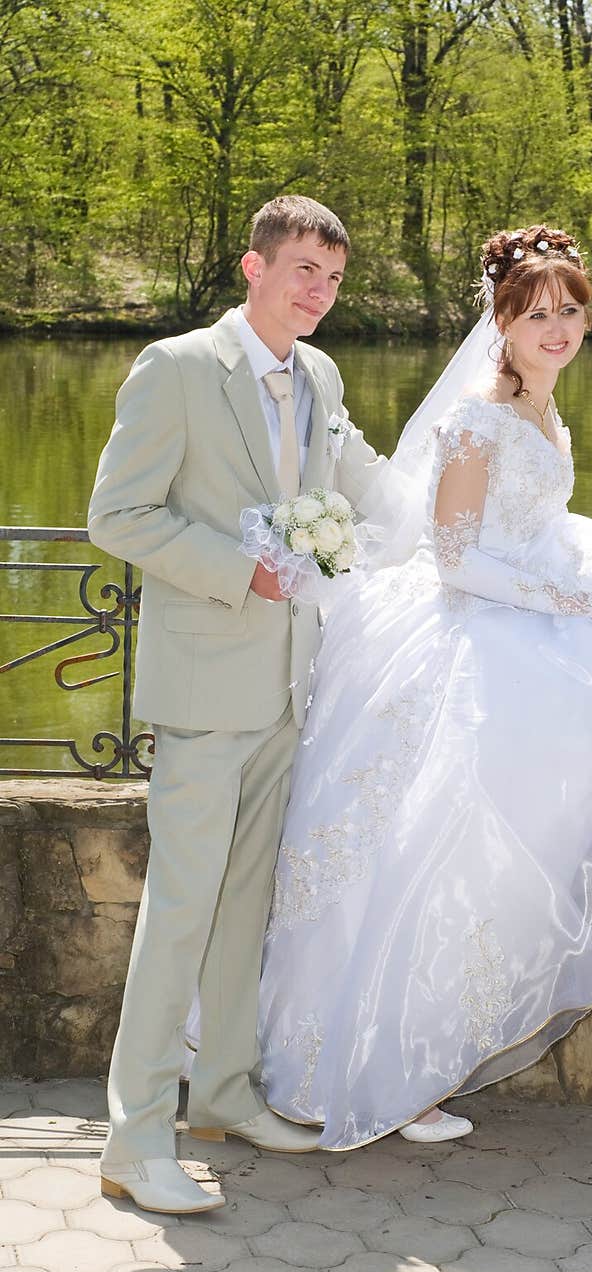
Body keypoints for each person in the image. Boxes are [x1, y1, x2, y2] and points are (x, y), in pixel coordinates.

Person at [247, 224, 592, 1154]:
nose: (558, 329)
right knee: (435, 853)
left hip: (521, 591)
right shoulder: (476, 419)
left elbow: (545, 514)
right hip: (461, 625)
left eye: (571, 311)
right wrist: (585, 598)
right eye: (537, 314)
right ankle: (397, 1071)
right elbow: (457, 559)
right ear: (500, 322)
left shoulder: (543, 410)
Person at [88, 195, 386, 1214]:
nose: (318, 291)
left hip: (287, 684)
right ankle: (133, 1141)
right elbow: (117, 514)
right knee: (177, 911)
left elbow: (357, 486)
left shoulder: (322, 377)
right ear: (253, 268)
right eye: (302, 269)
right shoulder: (175, 370)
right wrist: (236, 571)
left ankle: (221, 1094)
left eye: (333, 278)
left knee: (244, 908)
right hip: (206, 683)